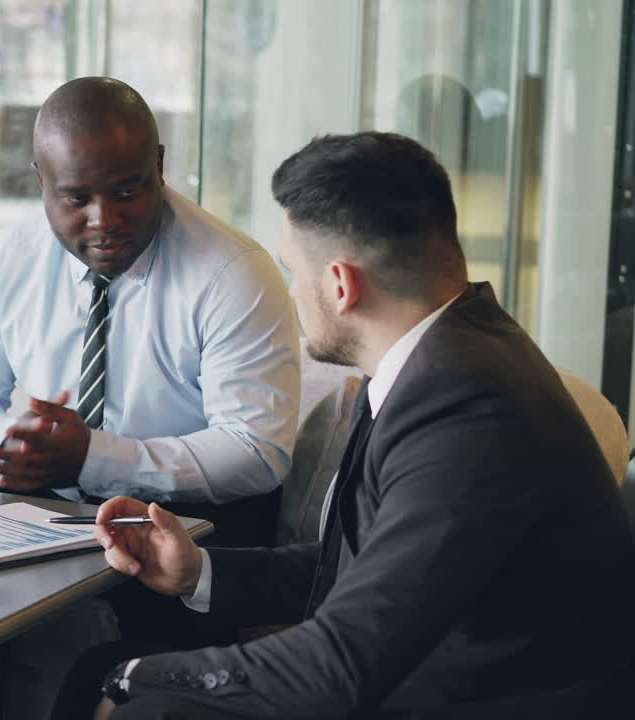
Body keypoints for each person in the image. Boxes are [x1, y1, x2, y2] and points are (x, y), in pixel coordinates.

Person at [55, 131, 635, 719]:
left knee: (133, 703)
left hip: (471, 699)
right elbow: (357, 570)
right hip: (412, 676)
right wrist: (198, 571)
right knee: (94, 676)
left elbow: (343, 663)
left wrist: (136, 678)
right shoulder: (440, 359)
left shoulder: (469, 406)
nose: (288, 290)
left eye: (290, 270)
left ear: (340, 285)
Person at [0, 76, 300, 547]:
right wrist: (8, 443)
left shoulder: (233, 273)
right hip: (52, 501)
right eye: (77, 198)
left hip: (193, 522)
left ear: (160, 166)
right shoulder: (6, 260)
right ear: (42, 180)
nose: (104, 220)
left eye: (126, 192)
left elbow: (255, 450)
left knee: (73, 613)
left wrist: (95, 458)